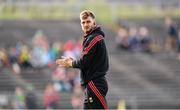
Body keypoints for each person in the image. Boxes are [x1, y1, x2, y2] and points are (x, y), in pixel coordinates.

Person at [56, 10, 109, 109]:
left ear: (94, 22)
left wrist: (71, 63)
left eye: (88, 21)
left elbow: (84, 63)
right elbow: (88, 62)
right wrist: (73, 62)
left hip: (95, 84)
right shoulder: (92, 37)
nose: (85, 24)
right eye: (83, 22)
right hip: (91, 84)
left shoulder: (93, 38)